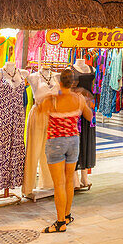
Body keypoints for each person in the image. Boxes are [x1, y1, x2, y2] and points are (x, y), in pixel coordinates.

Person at [39, 69, 93, 233]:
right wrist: (87, 101)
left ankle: (60, 222)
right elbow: (89, 117)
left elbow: (40, 112)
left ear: (59, 81)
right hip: (73, 142)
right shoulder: (79, 98)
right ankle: (67, 215)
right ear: (74, 83)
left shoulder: (53, 99)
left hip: (56, 142)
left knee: (59, 184)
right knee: (69, 180)